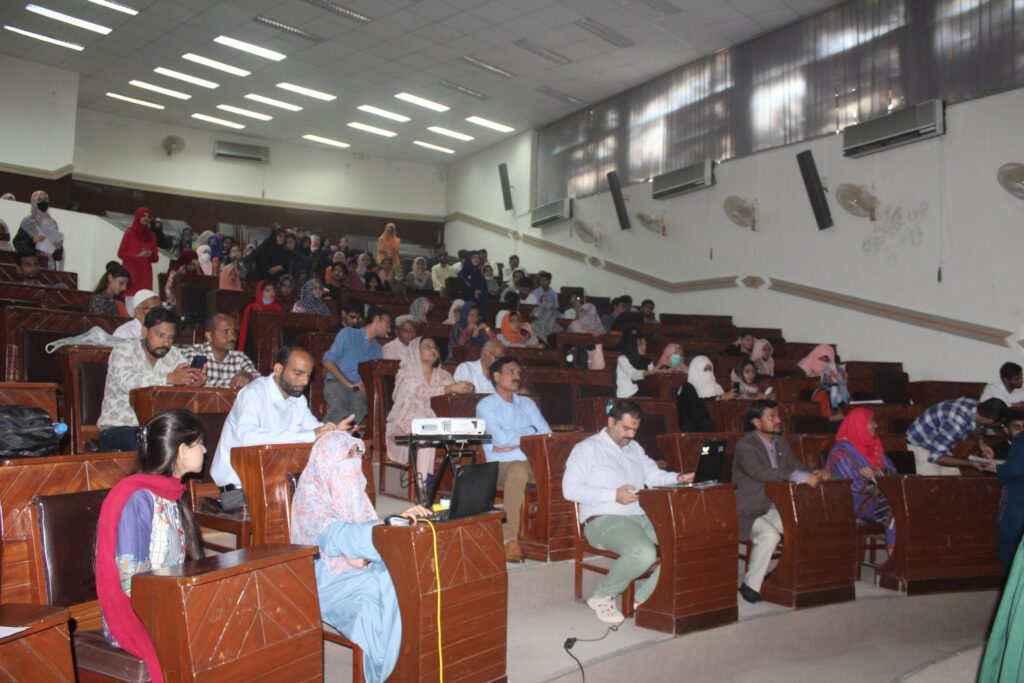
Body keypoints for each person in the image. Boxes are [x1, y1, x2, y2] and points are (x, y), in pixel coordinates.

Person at [290, 430, 427, 683]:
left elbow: (365, 531)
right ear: (327, 462)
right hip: (325, 578)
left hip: (359, 566)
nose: (353, 468)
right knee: (382, 596)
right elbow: (335, 537)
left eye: (357, 458)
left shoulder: (355, 492)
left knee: (405, 581)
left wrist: (396, 523)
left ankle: (410, 665)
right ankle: (385, 673)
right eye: (347, 459)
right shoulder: (310, 496)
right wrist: (387, 530)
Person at [95, 409, 206, 683]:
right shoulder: (137, 498)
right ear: (181, 450)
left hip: (165, 601)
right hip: (136, 614)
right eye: (199, 443)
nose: (204, 449)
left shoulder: (170, 492)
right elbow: (130, 582)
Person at [563, 399, 694, 623]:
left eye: (635, 429)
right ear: (610, 421)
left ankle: (643, 598)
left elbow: (653, 477)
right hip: (603, 520)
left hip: (639, 515)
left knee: (683, 543)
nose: (631, 434)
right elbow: (570, 489)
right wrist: (613, 495)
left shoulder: (634, 448)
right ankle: (602, 595)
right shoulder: (587, 449)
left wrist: (678, 479)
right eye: (626, 428)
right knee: (644, 552)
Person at [211, 345, 355, 505]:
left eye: (308, 375)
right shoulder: (253, 393)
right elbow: (249, 438)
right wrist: (312, 435)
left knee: (334, 497)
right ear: (278, 369)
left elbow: (315, 430)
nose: (305, 381)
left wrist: (335, 433)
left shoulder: (298, 399)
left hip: (277, 485)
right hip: (241, 490)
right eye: (298, 374)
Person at [733, 400, 827, 603]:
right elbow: (760, 473)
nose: (778, 421)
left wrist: (816, 472)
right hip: (749, 510)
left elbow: (795, 465)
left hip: (776, 506)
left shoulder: (780, 442)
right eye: (772, 417)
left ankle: (781, 576)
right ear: (757, 423)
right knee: (770, 535)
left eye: (778, 416)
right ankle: (750, 585)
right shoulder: (745, 446)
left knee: (802, 527)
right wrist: (798, 477)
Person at [475, 357, 551, 562]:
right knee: (518, 469)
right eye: (511, 372)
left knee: (562, 466)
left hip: (533, 463)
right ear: (496, 376)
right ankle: (509, 540)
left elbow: (546, 434)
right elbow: (499, 439)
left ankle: (553, 534)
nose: (517, 376)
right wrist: (529, 432)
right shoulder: (486, 406)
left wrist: (516, 437)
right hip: (500, 466)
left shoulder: (527, 404)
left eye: (518, 372)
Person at [98, 308, 205, 451]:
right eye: (160, 335)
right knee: (153, 443)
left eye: (171, 337)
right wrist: (169, 378)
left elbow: (181, 395)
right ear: (144, 331)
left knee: (192, 439)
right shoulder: (123, 350)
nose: (166, 342)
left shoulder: (174, 355)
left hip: (160, 429)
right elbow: (127, 382)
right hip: (118, 428)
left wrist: (193, 384)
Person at [386, 338, 473, 485]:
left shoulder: (444, 375)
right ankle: (424, 486)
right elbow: (420, 393)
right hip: (403, 427)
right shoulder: (406, 375)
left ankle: (455, 486)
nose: (433, 349)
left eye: (435, 347)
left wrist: (466, 389)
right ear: (415, 352)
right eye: (427, 346)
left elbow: (453, 398)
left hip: (435, 428)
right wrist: (448, 389)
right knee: (427, 436)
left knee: (431, 433)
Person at [826, 408, 898, 550]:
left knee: (913, 506)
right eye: (871, 422)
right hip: (854, 502)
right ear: (859, 425)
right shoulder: (842, 452)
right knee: (897, 509)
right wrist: (884, 481)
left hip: (880, 496)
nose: (876, 426)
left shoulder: (874, 446)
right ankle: (895, 560)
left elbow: (893, 472)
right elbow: (857, 486)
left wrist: (876, 472)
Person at [323, 307, 390, 424]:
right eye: (387, 323)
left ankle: (345, 438)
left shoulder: (377, 348)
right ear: (377, 319)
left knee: (360, 408)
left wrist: (366, 387)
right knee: (340, 408)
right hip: (336, 382)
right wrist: (349, 383)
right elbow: (327, 361)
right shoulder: (348, 333)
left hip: (358, 389)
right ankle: (319, 439)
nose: (389, 329)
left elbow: (374, 376)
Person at [906, 397, 1005, 475]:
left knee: (954, 483)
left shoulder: (977, 408)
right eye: (997, 425)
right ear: (990, 421)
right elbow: (936, 457)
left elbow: (977, 426)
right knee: (933, 488)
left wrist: (982, 444)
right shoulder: (957, 422)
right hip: (920, 446)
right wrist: (969, 463)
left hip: (937, 443)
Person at [179, 313, 258, 389]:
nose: (232, 337)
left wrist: (248, 375)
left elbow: (259, 380)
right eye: (225, 331)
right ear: (209, 336)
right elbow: (191, 382)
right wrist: (232, 383)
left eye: (234, 331)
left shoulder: (239, 357)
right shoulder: (196, 354)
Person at [996, 410, 1024, 571]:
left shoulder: (1021, 439)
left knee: (1012, 546)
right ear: (1005, 429)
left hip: (1019, 497)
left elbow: (1015, 469)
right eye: (1017, 426)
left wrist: (998, 469)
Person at [677, 356, 736, 432]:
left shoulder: (717, 387)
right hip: (694, 428)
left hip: (717, 426)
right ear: (696, 370)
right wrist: (719, 398)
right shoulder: (687, 388)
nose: (708, 372)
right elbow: (696, 406)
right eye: (705, 369)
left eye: (710, 369)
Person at [118, 207, 159, 297]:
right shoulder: (129, 233)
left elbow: (156, 259)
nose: (146, 219)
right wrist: (137, 256)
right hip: (131, 271)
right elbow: (121, 253)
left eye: (148, 217)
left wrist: (151, 254)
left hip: (145, 273)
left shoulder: (152, 236)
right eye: (143, 216)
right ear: (137, 217)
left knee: (143, 300)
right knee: (129, 303)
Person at [17, 190, 64, 268]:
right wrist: (32, 241)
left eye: (45, 199)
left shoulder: (52, 223)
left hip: (49, 266)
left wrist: (58, 247)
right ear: (33, 201)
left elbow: (58, 255)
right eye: (39, 200)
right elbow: (18, 243)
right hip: (32, 265)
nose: (43, 202)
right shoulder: (27, 221)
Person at [238, 280, 282, 356]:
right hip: (253, 347)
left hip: (273, 347)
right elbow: (244, 330)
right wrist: (240, 352)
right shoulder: (252, 308)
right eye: (267, 290)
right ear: (260, 293)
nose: (272, 293)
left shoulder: (279, 309)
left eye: (273, 290)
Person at [615, 331, 657, 398]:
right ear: (632, 345)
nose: (645, 347)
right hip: (627, 397)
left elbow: (653, 379)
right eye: (641, 345)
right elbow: (633, 374)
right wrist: (649, 372)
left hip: (644, 394)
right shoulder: (622, 359)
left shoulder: (647, 361)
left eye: (645, 344)